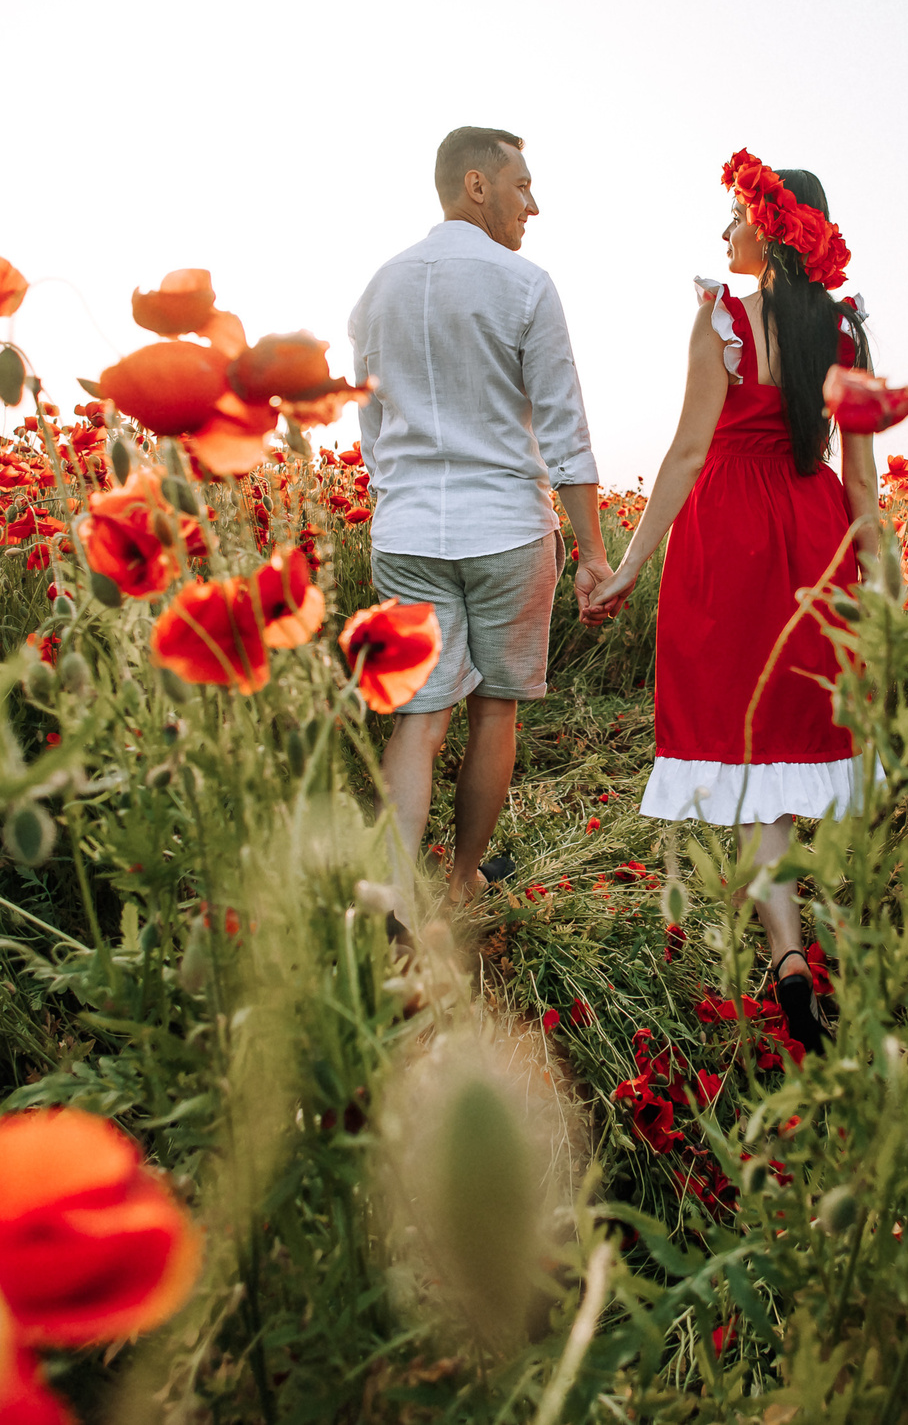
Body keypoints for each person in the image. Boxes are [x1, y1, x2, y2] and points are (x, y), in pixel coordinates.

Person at [587, 150, 875, 1052]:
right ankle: (790, 946)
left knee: (752, 747)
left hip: (731, 535)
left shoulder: (722, 318)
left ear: (771, 227)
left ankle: (787, 950)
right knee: (787, 746)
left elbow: (682, 454)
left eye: (735, 215)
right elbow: (861, 478)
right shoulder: (849, 332)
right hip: (814, 533)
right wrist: (885, 587)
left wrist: (632, 562)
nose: (723, 232)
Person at [349, 127, 611, 906]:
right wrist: (593, 554)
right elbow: (565, 430)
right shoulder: (526, 285)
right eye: (522, 184)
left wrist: (398, 494)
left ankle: (396, 896)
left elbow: (369, 428)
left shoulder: (378, 289)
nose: (534, 203)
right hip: (507, 529)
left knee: (419, 719)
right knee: (495, 712)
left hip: (407, 531)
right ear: (475, 185)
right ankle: (463, 879)